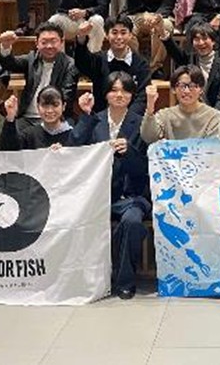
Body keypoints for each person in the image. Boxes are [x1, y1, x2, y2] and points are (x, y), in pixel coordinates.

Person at [70, 72, 150, 299]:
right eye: (113, 90)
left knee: (132, 222)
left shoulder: (141, 123)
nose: (119, 95)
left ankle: (124, 281)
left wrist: (130, 152)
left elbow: (146, 167)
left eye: (124, 90)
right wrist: (85, 115)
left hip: (131, 196)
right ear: (105, 94)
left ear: (132, 95)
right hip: (97, 195)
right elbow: (73, 148)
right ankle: (82, 278)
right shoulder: (94, 119)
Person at [0, 23, 78, 133]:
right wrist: (6, 47)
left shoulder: (70, 65)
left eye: (53, 41)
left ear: (61, 42)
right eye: (44, 42)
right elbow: (10, 64)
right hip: (28, 118)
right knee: (9, 133)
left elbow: (67, 94)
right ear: (37, 43)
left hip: (56, 117)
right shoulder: (31, 59)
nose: (49, 46)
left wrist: (49, 113)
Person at [73, 15, 150, 117]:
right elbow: (81, 62)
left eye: (123, 33)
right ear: (106, 35)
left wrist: (127, 119)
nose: (119, 37)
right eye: (114, 33)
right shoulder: (98, 60)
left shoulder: (141, 64)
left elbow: (142, 97)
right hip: (101, 119)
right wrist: (81, 37)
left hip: (131, 120)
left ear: (130, 35)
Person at [140, 65, 220, 142]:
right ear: (173, 89)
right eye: (182, 86)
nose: (186, 91)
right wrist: (150, 107)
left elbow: (211, 147)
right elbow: (148, 138)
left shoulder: (214, 117)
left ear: (201, 89)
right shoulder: (165, 115)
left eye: (192, 86)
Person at [158, 21, 220, 111]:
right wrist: (163, 33)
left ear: (213, 41)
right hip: (188, 111)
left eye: (204, 38)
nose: (201, 43)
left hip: (212, 112)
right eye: (197, 39)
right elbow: (174, 51)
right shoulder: (188, 60)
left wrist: (212, 116)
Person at [0, 86, 91, 150]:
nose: (50, 110)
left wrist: (66, 154)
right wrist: (10, 117)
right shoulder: (30, 135)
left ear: (63, 106)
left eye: (55, 105)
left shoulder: (73, 135)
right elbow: (8, 151)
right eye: (44, 105)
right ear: (37, 107)